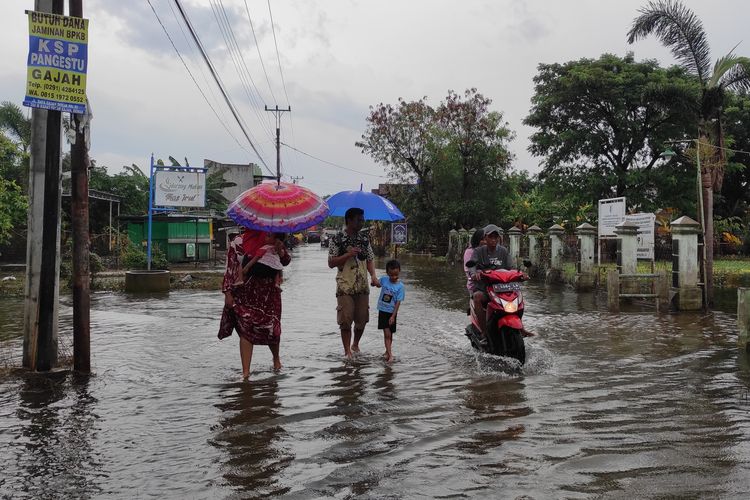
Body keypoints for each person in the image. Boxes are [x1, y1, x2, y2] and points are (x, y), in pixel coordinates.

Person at [218, 228, 291, 379]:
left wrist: (281, 250)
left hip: (269, 292)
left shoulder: (274, 237)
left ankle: (276, 360)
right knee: (245, 328)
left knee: (272, 328)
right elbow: (229, 269)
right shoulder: (237, 242)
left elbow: (285, 261)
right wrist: (227, 293)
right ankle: (246, 372)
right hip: (246, 291)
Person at [328, 207, 380, 358]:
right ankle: (347, 352)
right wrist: (348, 254)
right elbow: (331, 263)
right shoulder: (337, 239)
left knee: (362, 319)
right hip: (345, 284)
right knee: (345, 319)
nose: (361, 222)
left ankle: (355, 344)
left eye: (362, 220)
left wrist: (374, 276)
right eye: (359, 220)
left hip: (362, 284)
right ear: (349, 220)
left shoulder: (364, 239)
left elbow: (370, 258)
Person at [469, 224, 510, 342]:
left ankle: (520, 328)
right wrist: (474, 273)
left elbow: (511, 267)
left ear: (499, 238)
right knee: (477, 297)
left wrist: (521, 274)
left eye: (495, 237)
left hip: (502, 288)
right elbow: (472, 265)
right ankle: (483, 332)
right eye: (490, 237)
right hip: (484, 288)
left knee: (517, 298)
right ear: (485, 238)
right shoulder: (478, 251)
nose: (493, 239)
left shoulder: (503, 251)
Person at [377, 259, 405, 363]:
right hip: (383, 311)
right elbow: (377, 283)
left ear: (399, 272)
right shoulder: (384, 280)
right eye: (391, 275)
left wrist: (393, 316)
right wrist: (373, 281)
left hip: (392, 313)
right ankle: (390, 354)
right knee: (387, 334)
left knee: (390, 334)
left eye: (396, 275)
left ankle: (387, 352)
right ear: (387, 273)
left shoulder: (400, 287)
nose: (393, 277)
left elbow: (398, 303)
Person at [463, 228, 485, 294]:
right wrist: (475, 275)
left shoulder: (489, 251)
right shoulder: (470, 252)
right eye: (482, 239)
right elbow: (468, 269)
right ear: (477, 240)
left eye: (485, 239)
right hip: (475, 285)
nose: (484, 242)